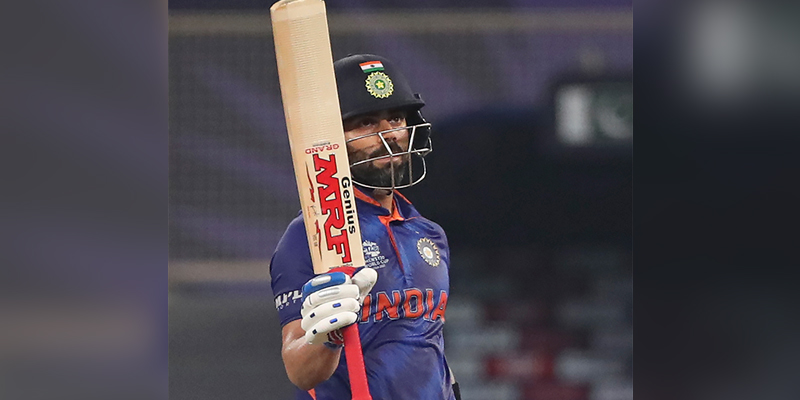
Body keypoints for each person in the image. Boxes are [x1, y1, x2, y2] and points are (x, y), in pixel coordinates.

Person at [270, 53, 459, 400]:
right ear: (332, 139)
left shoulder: (429, 233)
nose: (388, 135)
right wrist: (328, 335)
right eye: (367, 123)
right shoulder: (312, 234)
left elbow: (427, 343)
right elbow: (299, 370)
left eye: (396, 118)